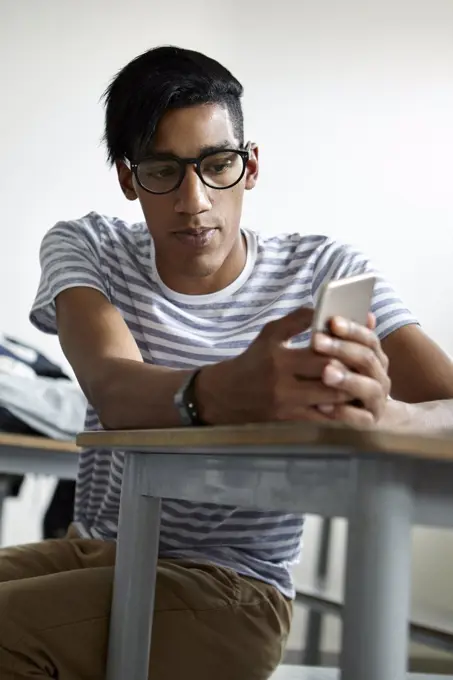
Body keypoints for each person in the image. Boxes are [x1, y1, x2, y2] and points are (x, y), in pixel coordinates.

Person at [1, 45, 453, 680]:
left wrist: (384, 416)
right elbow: (114, 388)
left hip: (230, 587)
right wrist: (220, 392)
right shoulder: (89, 247)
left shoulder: (322, 270)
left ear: (251, 166)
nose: (194, 201)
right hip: (94, 551)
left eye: (216, 165)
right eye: (163, 171)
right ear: (129, 179)